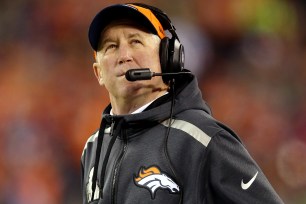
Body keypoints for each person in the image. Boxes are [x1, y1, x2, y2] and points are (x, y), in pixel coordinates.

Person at [81, 3, 284, 204]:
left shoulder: (203, 139)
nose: (124, 56)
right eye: (111, 46)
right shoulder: (93, 147)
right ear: (98, 72)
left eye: (136, 42)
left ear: (167, 57)